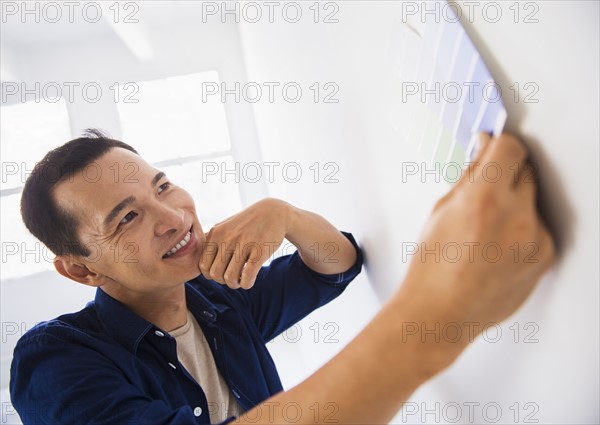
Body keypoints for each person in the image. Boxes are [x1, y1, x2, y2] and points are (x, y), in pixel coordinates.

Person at [9, 129, 554, 424]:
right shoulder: (52, 361)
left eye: (163, 186)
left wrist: (285, 215)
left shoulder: (215, 299)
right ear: (81, 269)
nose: (174, 218)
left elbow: (335, 265)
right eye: (127, 217)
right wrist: (437, 311)